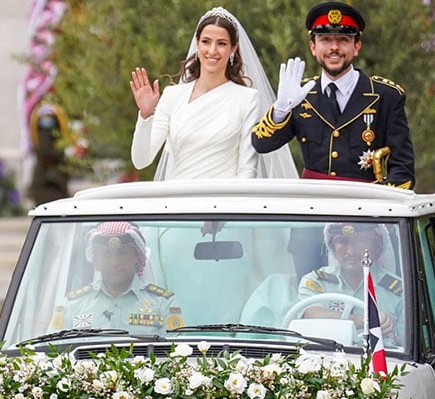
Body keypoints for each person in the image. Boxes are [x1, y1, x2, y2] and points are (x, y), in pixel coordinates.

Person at [251, 1, 415, 189]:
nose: (334, 47)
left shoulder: (386, 96)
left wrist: (380, 209)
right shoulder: (300, 94)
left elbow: (403, 170)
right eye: (325, 40)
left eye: (343, 40)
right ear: (313, 47)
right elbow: (261, 145)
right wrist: (280, 110)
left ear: (356, 46)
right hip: (314, 205)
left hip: (366, 208)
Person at [130, 7, 297, 180]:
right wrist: (145, 115)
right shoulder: (172, 95)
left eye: (222, 43)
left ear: (233, 48)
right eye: (206, 41)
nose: (212, 50)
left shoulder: (247, 99)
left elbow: (247, 169)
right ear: (197, 43)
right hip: (177, 202)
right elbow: (141, 161)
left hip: (223, 202)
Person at [52, 221, 185, 334]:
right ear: (95, 260)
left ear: (137, 257)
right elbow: (52, 352)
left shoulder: (163, 303)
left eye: (122, 253)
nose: (114, 262)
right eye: (106, 254)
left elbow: (177, 354)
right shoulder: (73, 305)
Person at [297, 223, 404, 345]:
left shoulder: (399, 291)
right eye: (342, 241)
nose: (350, 251)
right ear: (332, 247)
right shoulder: (316, 281)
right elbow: (312, 315)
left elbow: (406, 344)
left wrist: (390, 334)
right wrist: (368, 320)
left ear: (377, 247)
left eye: (360, 241)